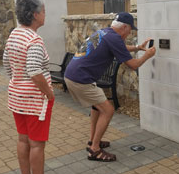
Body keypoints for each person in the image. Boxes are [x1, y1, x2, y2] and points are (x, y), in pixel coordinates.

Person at [64, 12, 156, 162]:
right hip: (81, 79)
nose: (130, 32)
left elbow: (121, 48)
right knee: (108, 110)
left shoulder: (105, 33)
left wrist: (138, 48)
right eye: (130, 30)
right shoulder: (114, 38)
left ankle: (93, 141)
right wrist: (148, 55)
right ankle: (95, 150)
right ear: (124, 27)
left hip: (72, 75)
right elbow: (133, 65)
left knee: (97, 107)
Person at [3, 0, 64, 174]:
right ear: (36, 14)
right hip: (35, 102)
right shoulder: (34, 40)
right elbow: (35, 71)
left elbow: (7, 64)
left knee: (23, 139)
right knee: (37, 144)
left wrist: (17, 82)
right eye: (44, 11)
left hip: (16, 98)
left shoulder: (14, 35)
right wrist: (48, 91)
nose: (46, 14)